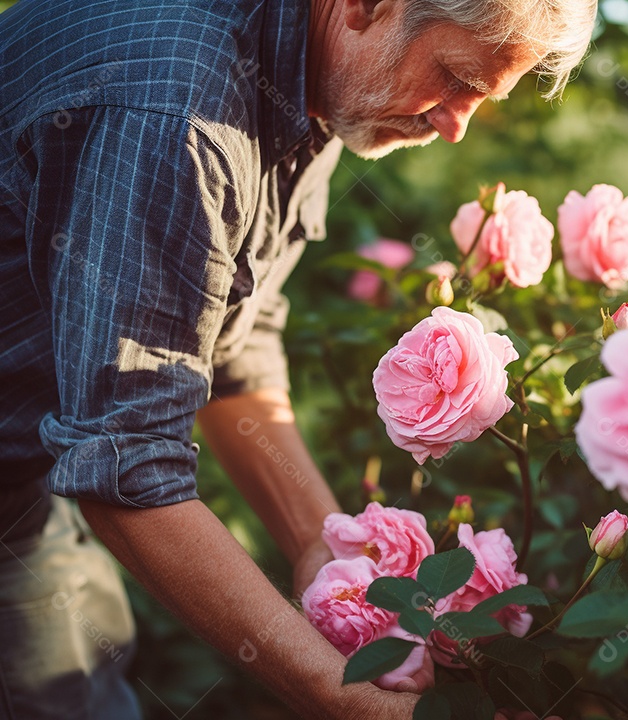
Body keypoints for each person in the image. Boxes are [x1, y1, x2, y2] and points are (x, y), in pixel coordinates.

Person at [0, 0, 595, 717]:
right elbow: (124, 462)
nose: (455, 125)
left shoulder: (325, 80)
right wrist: (337, 695)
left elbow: (233, 342)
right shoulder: (180, 115)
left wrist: (325, 549)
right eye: (454, 77)